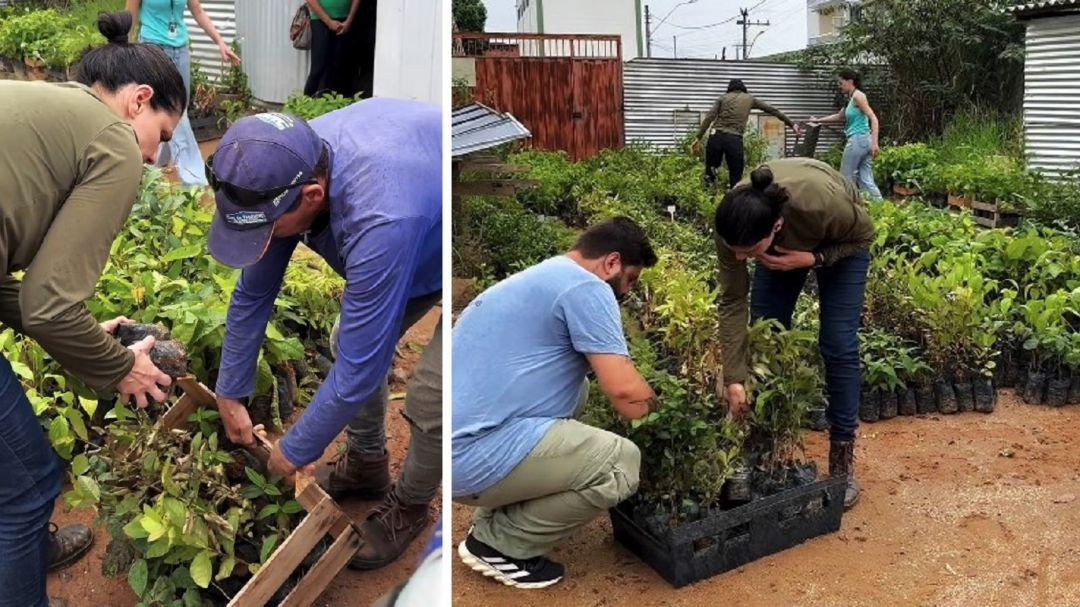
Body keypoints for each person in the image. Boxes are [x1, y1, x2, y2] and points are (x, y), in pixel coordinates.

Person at [206, 99, 442, 571]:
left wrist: (290, 455)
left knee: (433, 395)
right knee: (343, 342)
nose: (264, 242)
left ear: (313, 197)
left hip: (439, 246)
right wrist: (229, 392)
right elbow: (254, 294)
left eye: (268, 231)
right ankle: (367, 464)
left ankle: (412, 504)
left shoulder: (382, 217)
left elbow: (360, 369)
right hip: (408, 201)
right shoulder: (280, 163)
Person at [0, 12, 182, 607]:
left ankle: (21, 554)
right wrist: (118, 366)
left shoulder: (37, 104)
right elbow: (52, 306)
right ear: (139, 101)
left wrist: (82, 334)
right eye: (164, 134)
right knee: (27, 485)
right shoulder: (114, 142)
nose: (156, 159)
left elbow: (36, 304)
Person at [452, 217, 658, 589]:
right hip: (470, 461)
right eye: (629, 281)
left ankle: (498, 512)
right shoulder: (587, 288)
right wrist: (665, 413)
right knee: (621, 464)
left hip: (451, 450)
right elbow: (629, 398)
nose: (625, 294)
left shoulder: (544, 276)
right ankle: (499, 545)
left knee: (575, 389)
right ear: (611, 263)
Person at [714, 158, 874, 510]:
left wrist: (813, 259)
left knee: (837, 343)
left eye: (749, 252)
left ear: (777, 227)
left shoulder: (821, 204)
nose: (740, 259)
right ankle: (758, 450)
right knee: (766, 336)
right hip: (782, 246)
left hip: (841, 243)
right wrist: (734, 377)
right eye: (735, 251)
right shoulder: (733, 220)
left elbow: (865, 234)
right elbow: (732, 301)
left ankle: (841, 462)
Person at [126, 0, 241, 187]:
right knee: (173, 112)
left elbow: (198, 11)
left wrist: (220, 41)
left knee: (180, 108)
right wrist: (124, 53)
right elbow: (130, 17)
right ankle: (193, 176)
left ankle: (154, 165)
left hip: (180, 49)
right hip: (153, 49)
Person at [690, 78, 803, 189]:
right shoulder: (750, 99)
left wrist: (698, 137)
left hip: (716, 136)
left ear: (729, 89)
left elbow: (709, 117)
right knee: (736, 175)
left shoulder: (722, 98)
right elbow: (773, 110)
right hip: (734, 139)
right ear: (743, 88)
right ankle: (734, 200)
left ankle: (709, 197)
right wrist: (792, 124)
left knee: (710, 172)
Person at [810, 68, 882, 200]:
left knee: (845, 177)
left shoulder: (858, 96)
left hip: (858, 140)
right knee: (865, 178)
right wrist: (818, 120)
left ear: (850, 81)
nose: (839, 86)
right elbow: (839, 116)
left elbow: (873, 118)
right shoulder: (851, 99)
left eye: (841, 83)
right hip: (863, 141)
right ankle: (880, 207)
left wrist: (875, 143)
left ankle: (848, 207)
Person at [304, 0, 362, 96]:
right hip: (320, 20)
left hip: (344, 20)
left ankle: (334, 104)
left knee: (339, 67)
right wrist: (328, 21)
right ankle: (305, 105)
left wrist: (349, 20)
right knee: (318, 68)